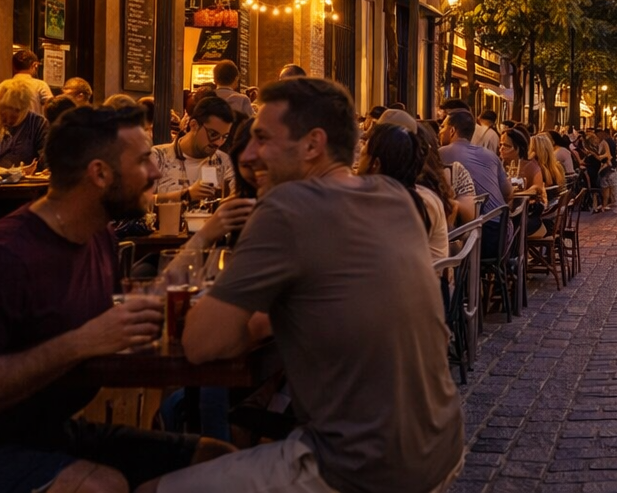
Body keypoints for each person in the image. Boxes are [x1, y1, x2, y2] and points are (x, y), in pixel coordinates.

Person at [168, 78, 464, 493]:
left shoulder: (286, 208)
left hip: (361, 465)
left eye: (262, 139)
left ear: (312, 145)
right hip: (441, 443)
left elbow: (200, 345)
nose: (247, 155)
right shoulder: (393, 197)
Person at [0, 105, 231, 491]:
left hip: (49, 432)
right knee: (101, 485)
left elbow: (118, 327)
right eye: (142, 161)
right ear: (99, 173)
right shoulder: (0, 258)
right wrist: (80, 343)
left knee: (215, 462)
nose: (156, 172)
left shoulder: (99, 237)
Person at [358, 123, 450, 261]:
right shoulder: (412, 196)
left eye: (363, 154)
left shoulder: (408, 206)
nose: (358, 161)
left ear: (376, 164)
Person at [441, 110, 510, 255]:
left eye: (442, 127)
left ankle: (455, 276)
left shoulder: (441, 154)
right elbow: (508, 193)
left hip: (477, 236)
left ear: (452, 130)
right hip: (502, 232)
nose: (439, 132)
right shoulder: (491, 155)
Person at [151, 96, 236, 205]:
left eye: (224, 137)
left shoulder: (224, 162)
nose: (218, 142)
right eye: (213, 134)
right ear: (194, 125)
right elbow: (139, 202)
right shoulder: (159, 156)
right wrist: (185, 195)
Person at [9, 49, 54, 114]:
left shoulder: (5, 86)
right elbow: (52, 107)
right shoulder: (40, 85)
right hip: (34, 124)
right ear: (35, 65)